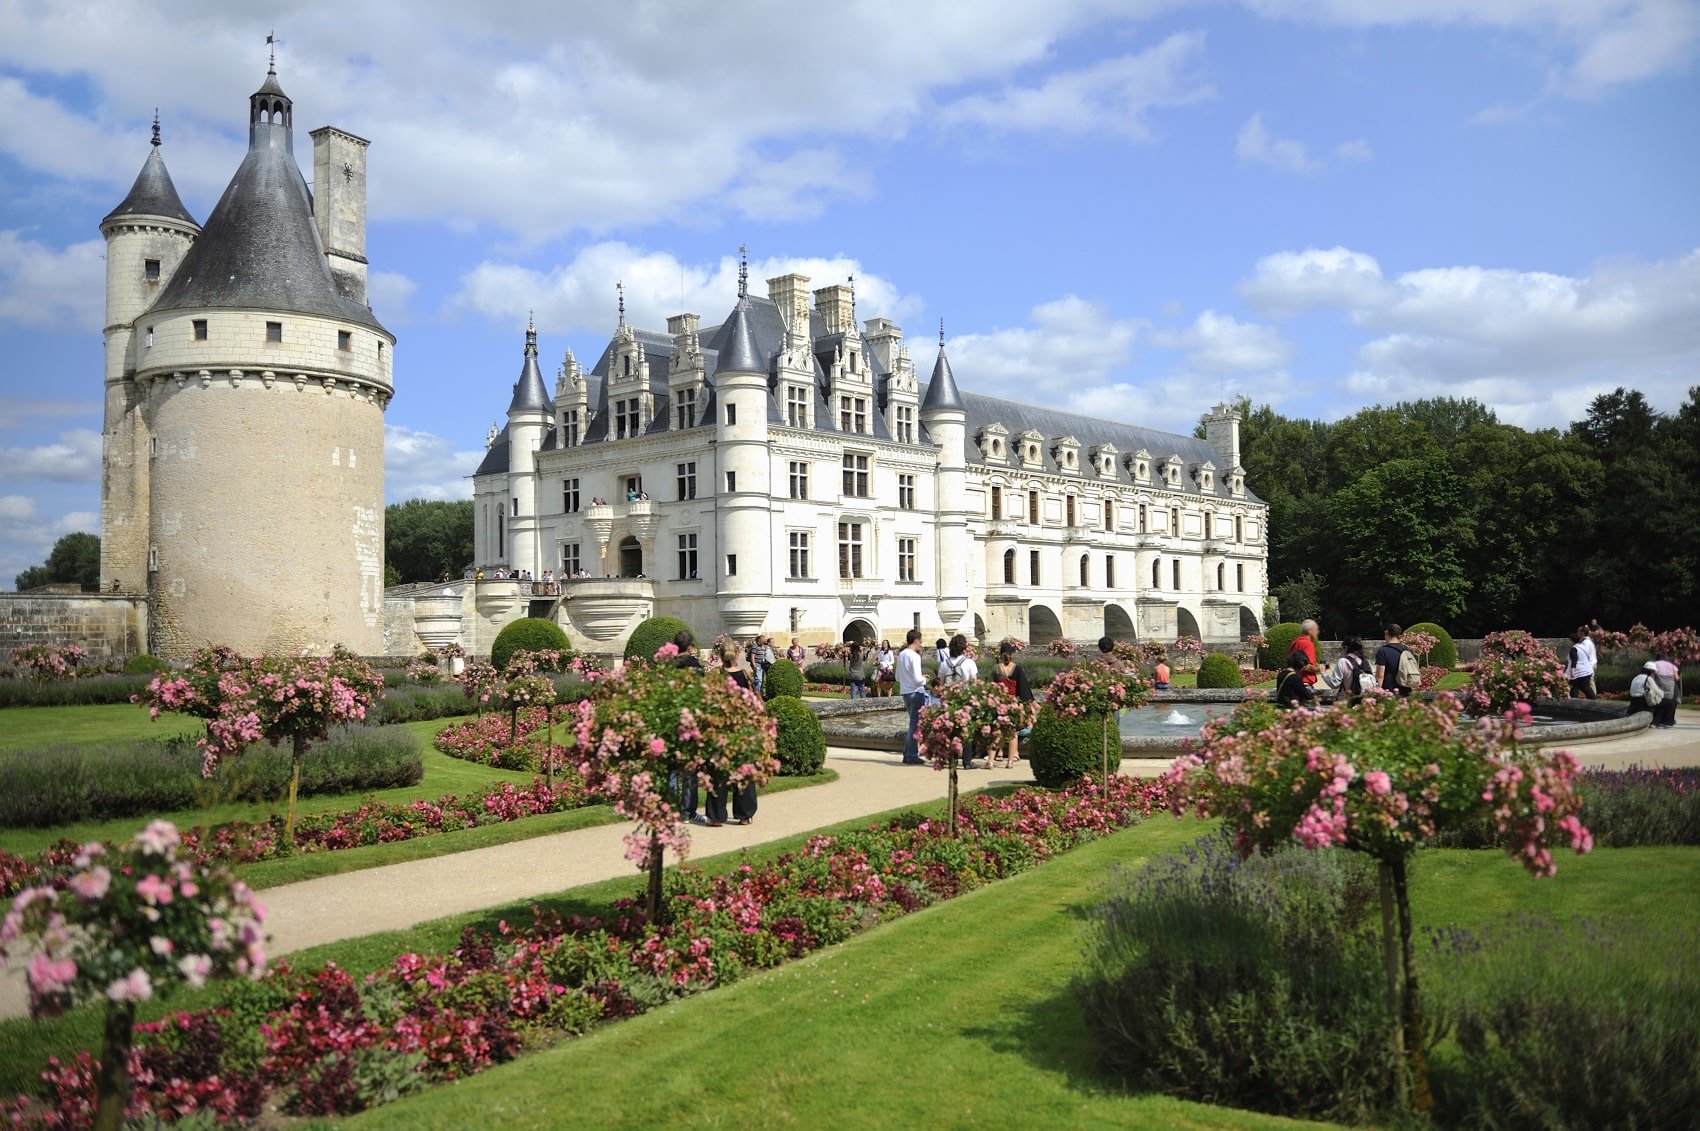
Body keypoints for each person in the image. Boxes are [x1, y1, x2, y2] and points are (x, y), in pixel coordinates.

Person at [936, 634, 980, 766]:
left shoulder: (945, 663)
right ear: (964, 647)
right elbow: (974, 683)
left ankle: (952, 759)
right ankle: (967, 761)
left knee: (951, 729)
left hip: (949, 699)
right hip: (964, 699)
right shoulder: (969, 662)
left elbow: (941, 683)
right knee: (966, 729)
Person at [990, 642, 1033, 769]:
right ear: (1011, 654)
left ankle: (992, 760)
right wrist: (1029, 703)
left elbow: (991, 687)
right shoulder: (1017, 669)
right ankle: (1010, 761)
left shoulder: (996, 669)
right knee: (1012, 732)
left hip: (1000, 702)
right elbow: (1023, 688)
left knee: (997, 730)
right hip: (1013, 703)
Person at [898, 629, 928, 764]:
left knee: (912, 724)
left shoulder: (901, 655)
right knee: (914, 726)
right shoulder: (914, 656)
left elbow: (898, 677)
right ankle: (911, 755)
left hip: (905, 692)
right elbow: (917, 679)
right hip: (916, 692)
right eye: (920, 641)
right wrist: (925, 680)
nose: (921, 644)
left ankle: (907, 754)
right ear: (916, 641)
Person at [1323, 636, 1373, 705]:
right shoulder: (1366, 662)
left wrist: (1323, 673)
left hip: (1346, 703)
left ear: (1346, 648)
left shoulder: (1343, 661)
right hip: (1365, 703)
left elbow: (1334, 684)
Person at [1373, 624, 1412, 697]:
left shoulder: (1383, 651)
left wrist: (1378, 692)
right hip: (1405, 689)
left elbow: (1380, 675)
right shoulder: (1406, 650)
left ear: (1387, 633)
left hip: (1389, 690)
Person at [1563, 630, 1597, 700]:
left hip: (1578, 673)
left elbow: (1574, 661)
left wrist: (1572, 673)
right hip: (1587, 671)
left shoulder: (1573, 649)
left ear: (1571, 641)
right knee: (1585, 687)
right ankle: (1594, 701)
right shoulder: (1583, 647)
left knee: (1574, 688)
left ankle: (1574, 702)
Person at [1651, 651, 1681, 728]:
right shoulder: (1672, 665)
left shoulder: (1655, 664)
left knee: (1659, 703)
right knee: (1669, 703)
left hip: (1659, 685)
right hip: (1670, 686)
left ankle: (1656, 722)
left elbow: (1652, 677)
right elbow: (1676, 678)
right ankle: (1667, 722)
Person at [1294, 619, 1321, 687]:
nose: (1317, 632)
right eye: (1316, 629)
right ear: (1309, 631)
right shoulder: (1307, 644)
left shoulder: (1296, 642)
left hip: (1296, 682)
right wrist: (1319, 669)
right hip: (1305, 684)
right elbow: (1306, 666)